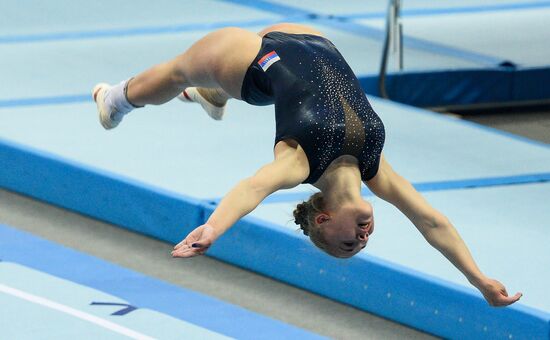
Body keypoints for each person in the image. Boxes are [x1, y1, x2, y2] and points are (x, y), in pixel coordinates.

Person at [93, 23, 521, 307]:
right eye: (362, 244)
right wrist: (478, 279)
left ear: (323, 218)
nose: (363, 238)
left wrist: (213, 228)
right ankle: (214, 96)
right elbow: (432, 223)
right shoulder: (375, 169)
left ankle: (113, 98)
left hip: (252, 60)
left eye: (349, 243)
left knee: (177, 73)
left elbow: (252, 188)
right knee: (217, 84)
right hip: (315, 40)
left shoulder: (301, 162)